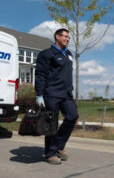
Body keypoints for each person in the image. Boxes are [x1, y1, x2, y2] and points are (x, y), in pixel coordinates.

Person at [35, 28, 78, 165]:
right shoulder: (46, 54)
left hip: (66, 94)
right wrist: (39, 94)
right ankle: (50, 153)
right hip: (52, 93)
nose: (67, 39)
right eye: (64, 36)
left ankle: (59, 145)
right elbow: (40, 74)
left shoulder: (69, 54)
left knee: (72, 116)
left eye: (68, 37)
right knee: (51, 124)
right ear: (57, 37)